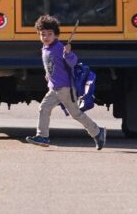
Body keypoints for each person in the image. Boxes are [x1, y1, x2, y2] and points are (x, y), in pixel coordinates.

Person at [25, 15, 106, 150]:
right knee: (44, 108)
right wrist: (48, 75)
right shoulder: (45, 48)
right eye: (42, 34)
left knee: (76, 114)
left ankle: (98, 132)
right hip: (54, 88)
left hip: (65, 88)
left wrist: (68, 53)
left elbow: (73, 62)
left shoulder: (59, 47)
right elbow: (51, 65)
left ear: (56, 35)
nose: (46, 37)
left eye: (49, 34)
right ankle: (43, 136)